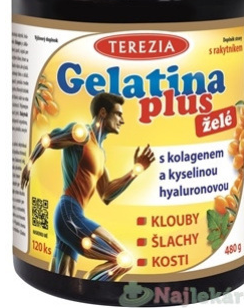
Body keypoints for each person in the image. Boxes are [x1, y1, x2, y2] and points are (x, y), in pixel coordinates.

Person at [21, 92, 155, 281]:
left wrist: (134, 171)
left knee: (62, 278)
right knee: (122, 259)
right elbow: (49, 139)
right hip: (69, 214)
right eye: (118, 114)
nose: (122, 120)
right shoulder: (82, 134)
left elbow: (107, 193)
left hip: (71, 216)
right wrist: (29, 163)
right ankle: (96, 286)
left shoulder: (100, 153)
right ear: (103, 113)